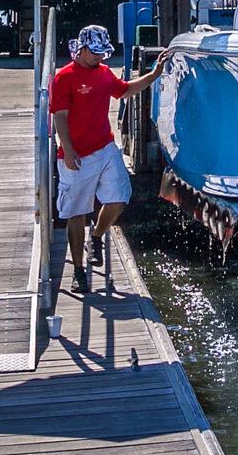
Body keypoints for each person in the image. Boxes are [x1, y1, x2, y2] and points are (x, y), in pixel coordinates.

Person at [48, 24, 164, 295]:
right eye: (96, 53)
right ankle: (78, 271)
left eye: (104, 53)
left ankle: (97, 236)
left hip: (105, 148)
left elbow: (124, 90)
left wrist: (154, 74)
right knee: (76, 212)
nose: (101, 57)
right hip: (75, 154)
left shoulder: (103, 73)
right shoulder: (64, 77)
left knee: (120, 197)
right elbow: (59, 116)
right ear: (83, 48)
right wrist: (67, 149)